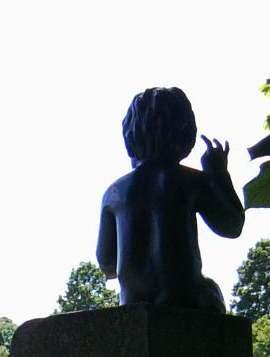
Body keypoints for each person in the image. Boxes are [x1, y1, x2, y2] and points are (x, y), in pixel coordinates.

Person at [96, 87, 244, 312]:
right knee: (211, 290)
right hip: (186, 300)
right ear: (185, 135)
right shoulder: (193, 181)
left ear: (131, 135)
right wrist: (219, 173)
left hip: (132, 306)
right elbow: (232, 226)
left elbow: (106, 262)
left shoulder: (113, 193)